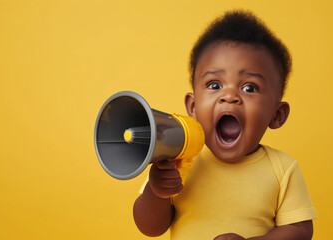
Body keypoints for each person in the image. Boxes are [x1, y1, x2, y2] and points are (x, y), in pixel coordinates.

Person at [133, 10, 317, 240]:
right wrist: (156, 192)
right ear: (193, 107)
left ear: (276, 115)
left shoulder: (282, 169)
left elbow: (300, 231)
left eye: (249, 88)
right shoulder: (175, 159)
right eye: (214, 85)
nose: (229, 96)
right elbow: (150, 228)